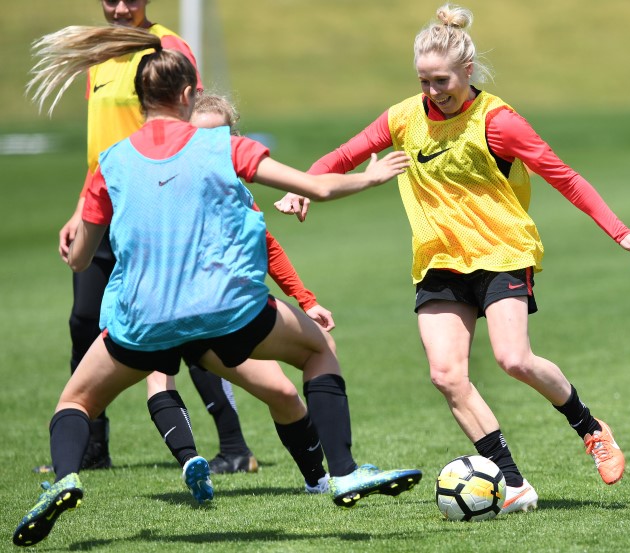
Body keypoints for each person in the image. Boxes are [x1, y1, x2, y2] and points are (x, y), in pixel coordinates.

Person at [14, 25, 421, 547]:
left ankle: (65, 477)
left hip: (144, 322)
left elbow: (80, 260)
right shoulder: (223, 146)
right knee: (319, 352)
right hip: (226, 314)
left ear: (139, 101)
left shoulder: (110, 163)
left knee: (74, 403)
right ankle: (341, 472)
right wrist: (372, 175)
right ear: (188, 95)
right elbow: (318, 186)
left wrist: (70, 245)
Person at [276, 4, 630, 514]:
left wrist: (620, 230)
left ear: (467, 71)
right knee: (446, 375)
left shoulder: (499, 122)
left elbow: (565, 177)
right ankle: (514, 484)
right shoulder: (405, 117)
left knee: (513, 358)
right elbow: (342, 155)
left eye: (443, 80)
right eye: (424, 81)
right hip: (439, 261)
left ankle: (590, 428)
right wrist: (306, 187)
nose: (434, 91)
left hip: (501, 253)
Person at [144, 92, 341, 492]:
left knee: (283, 392)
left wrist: (307, 299)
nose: (211, 146)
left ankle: (318, 479)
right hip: (168, 308)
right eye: (200, 136)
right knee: (156, 376)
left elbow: (266, 245)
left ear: (232, 139)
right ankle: (189, 460)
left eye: (220, 136)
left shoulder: (235, 190)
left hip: (223, 315)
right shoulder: (160, 185)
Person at [49, 0, 204, 472]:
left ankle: (235, 447)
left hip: (148, 208)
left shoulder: (167, 46)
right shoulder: (99, 55)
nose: (119, 8)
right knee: (83, 320)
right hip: (102, 209)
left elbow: (188, 124)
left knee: (188, 329)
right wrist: (81, 207)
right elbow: (100, 145)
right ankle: (92, 451)